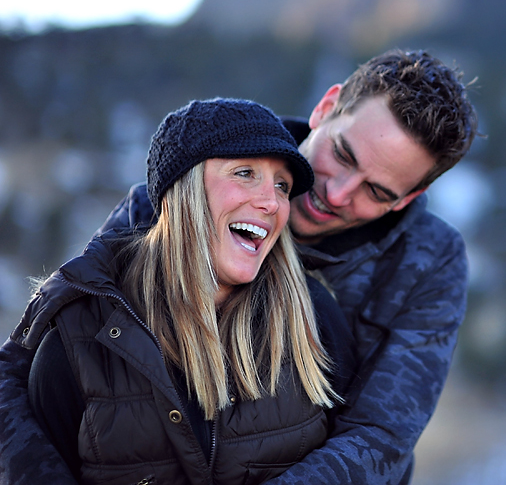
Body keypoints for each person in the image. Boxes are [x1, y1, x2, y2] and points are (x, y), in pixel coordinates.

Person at [0, 49, 477, 485]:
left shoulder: (430, 261)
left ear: (408, 199)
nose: (336, 194)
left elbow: (382, 435)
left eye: (376, 191)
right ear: (326, 107)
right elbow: (28, 364)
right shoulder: (175, 199)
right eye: (342, 155)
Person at [0, 98, 356, 484]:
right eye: (244, 173)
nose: (271, 202)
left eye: (282, 185)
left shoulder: (314, 319)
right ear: (183, 188)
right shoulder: (79, 344)